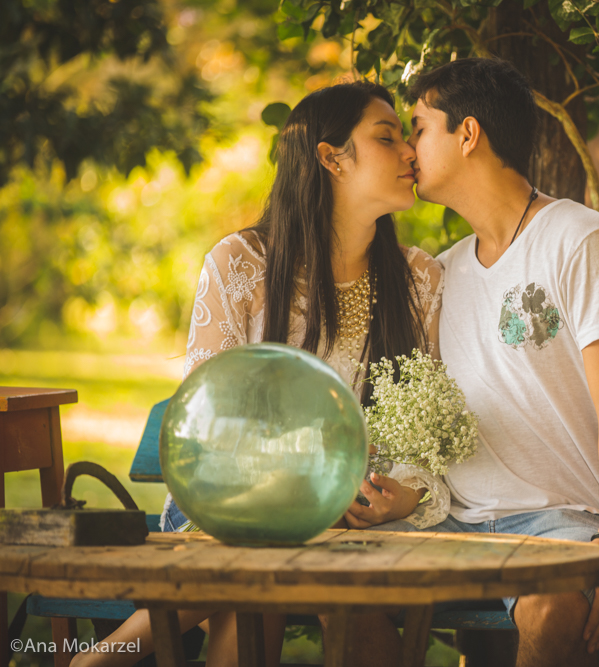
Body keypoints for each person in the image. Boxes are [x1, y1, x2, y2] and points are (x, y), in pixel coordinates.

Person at [70, 81, 448, 667]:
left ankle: (105, 656)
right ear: (331, 158)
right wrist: (300, 488)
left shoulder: (419, 279)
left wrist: (402, 495)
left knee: (303, 575)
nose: (409, 152)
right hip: (227, 504)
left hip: (359, 521)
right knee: (268, 562)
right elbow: (209, 431)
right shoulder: (241, 265)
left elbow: (427, 428)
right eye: (386, 137)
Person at [357, 57, 599, 667]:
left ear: (468, 134)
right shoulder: (443, 272)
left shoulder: (582, 241)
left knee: (549, 609)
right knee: (345, 593)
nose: (408, 150)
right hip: (454, 525)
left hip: (566, 523)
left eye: (419, 129)